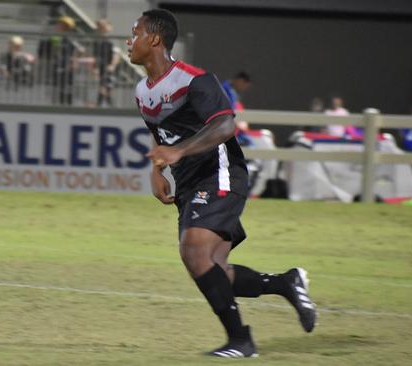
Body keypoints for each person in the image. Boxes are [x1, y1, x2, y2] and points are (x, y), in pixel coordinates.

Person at [127, 9, 316, 358]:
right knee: (214, 269)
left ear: (154, 39)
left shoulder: (194, 80)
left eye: (135, 32)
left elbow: (226, 126)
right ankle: (285, 283)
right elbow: (161, 136)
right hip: (188, 182)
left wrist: (179, 152)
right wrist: (157, 170)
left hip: (219, 172)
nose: (129, 40)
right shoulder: (143, 91)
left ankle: (241, 341)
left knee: (194, 252)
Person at [93, 18, 120, 107]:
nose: (100, 28)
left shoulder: (111, 40)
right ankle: (106, 105)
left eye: (103, 26)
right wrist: (95, 68)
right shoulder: (97, 41)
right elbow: (96, 57)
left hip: (109, 68)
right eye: (99, 26)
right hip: (101, 68)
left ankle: (101, 105)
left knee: (106, 87)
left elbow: (116, 54)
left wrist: (112, 65)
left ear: (109, 27)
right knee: (105, 87)